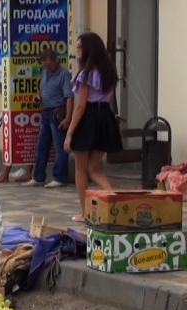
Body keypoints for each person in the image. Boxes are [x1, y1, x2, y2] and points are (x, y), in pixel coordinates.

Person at [65, 32, 122, 223]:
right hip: (105, 118)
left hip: (88, 119)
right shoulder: (109, 72)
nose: (77, 50)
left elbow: (80, 106)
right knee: (93, 167)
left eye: (80, 46)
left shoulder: (86, 74)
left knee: (81, 169)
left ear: (88, 49)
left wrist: (69, 134)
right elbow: (111, 102)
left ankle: (85, 212)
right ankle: (113, 196)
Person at [23, 48, 74, 188]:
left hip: (58, 112)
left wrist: (68, 118)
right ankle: (38, 177)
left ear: (56, 61)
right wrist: (39, 97)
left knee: (59, 146)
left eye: (50, 64)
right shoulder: (45, 73)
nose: (48, 67)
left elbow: (69, 97)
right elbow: (43, 89)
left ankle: (59, 177)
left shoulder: (63, 75)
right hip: (45, 112)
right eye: (45, 65)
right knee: (41, 146)